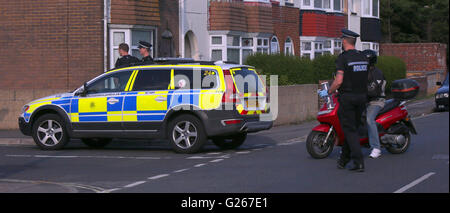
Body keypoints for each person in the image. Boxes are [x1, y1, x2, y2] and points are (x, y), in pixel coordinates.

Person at [319, 29, 369, 172]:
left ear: (345, 41)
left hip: (348, 98)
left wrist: (328, 91)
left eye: (342, 40)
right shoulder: (363, 57)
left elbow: (339, 80)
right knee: (351, 130)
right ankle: (343, 160)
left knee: (350, 130)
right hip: (361, 98)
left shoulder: (343, 58)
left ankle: (358, 162)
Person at [362, 49, 387, 159]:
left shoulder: (377, 73)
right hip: (365, 101)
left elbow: (374, 91)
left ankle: (376, 148)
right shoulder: (363, 72)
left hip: (377, 101)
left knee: (369, 119)